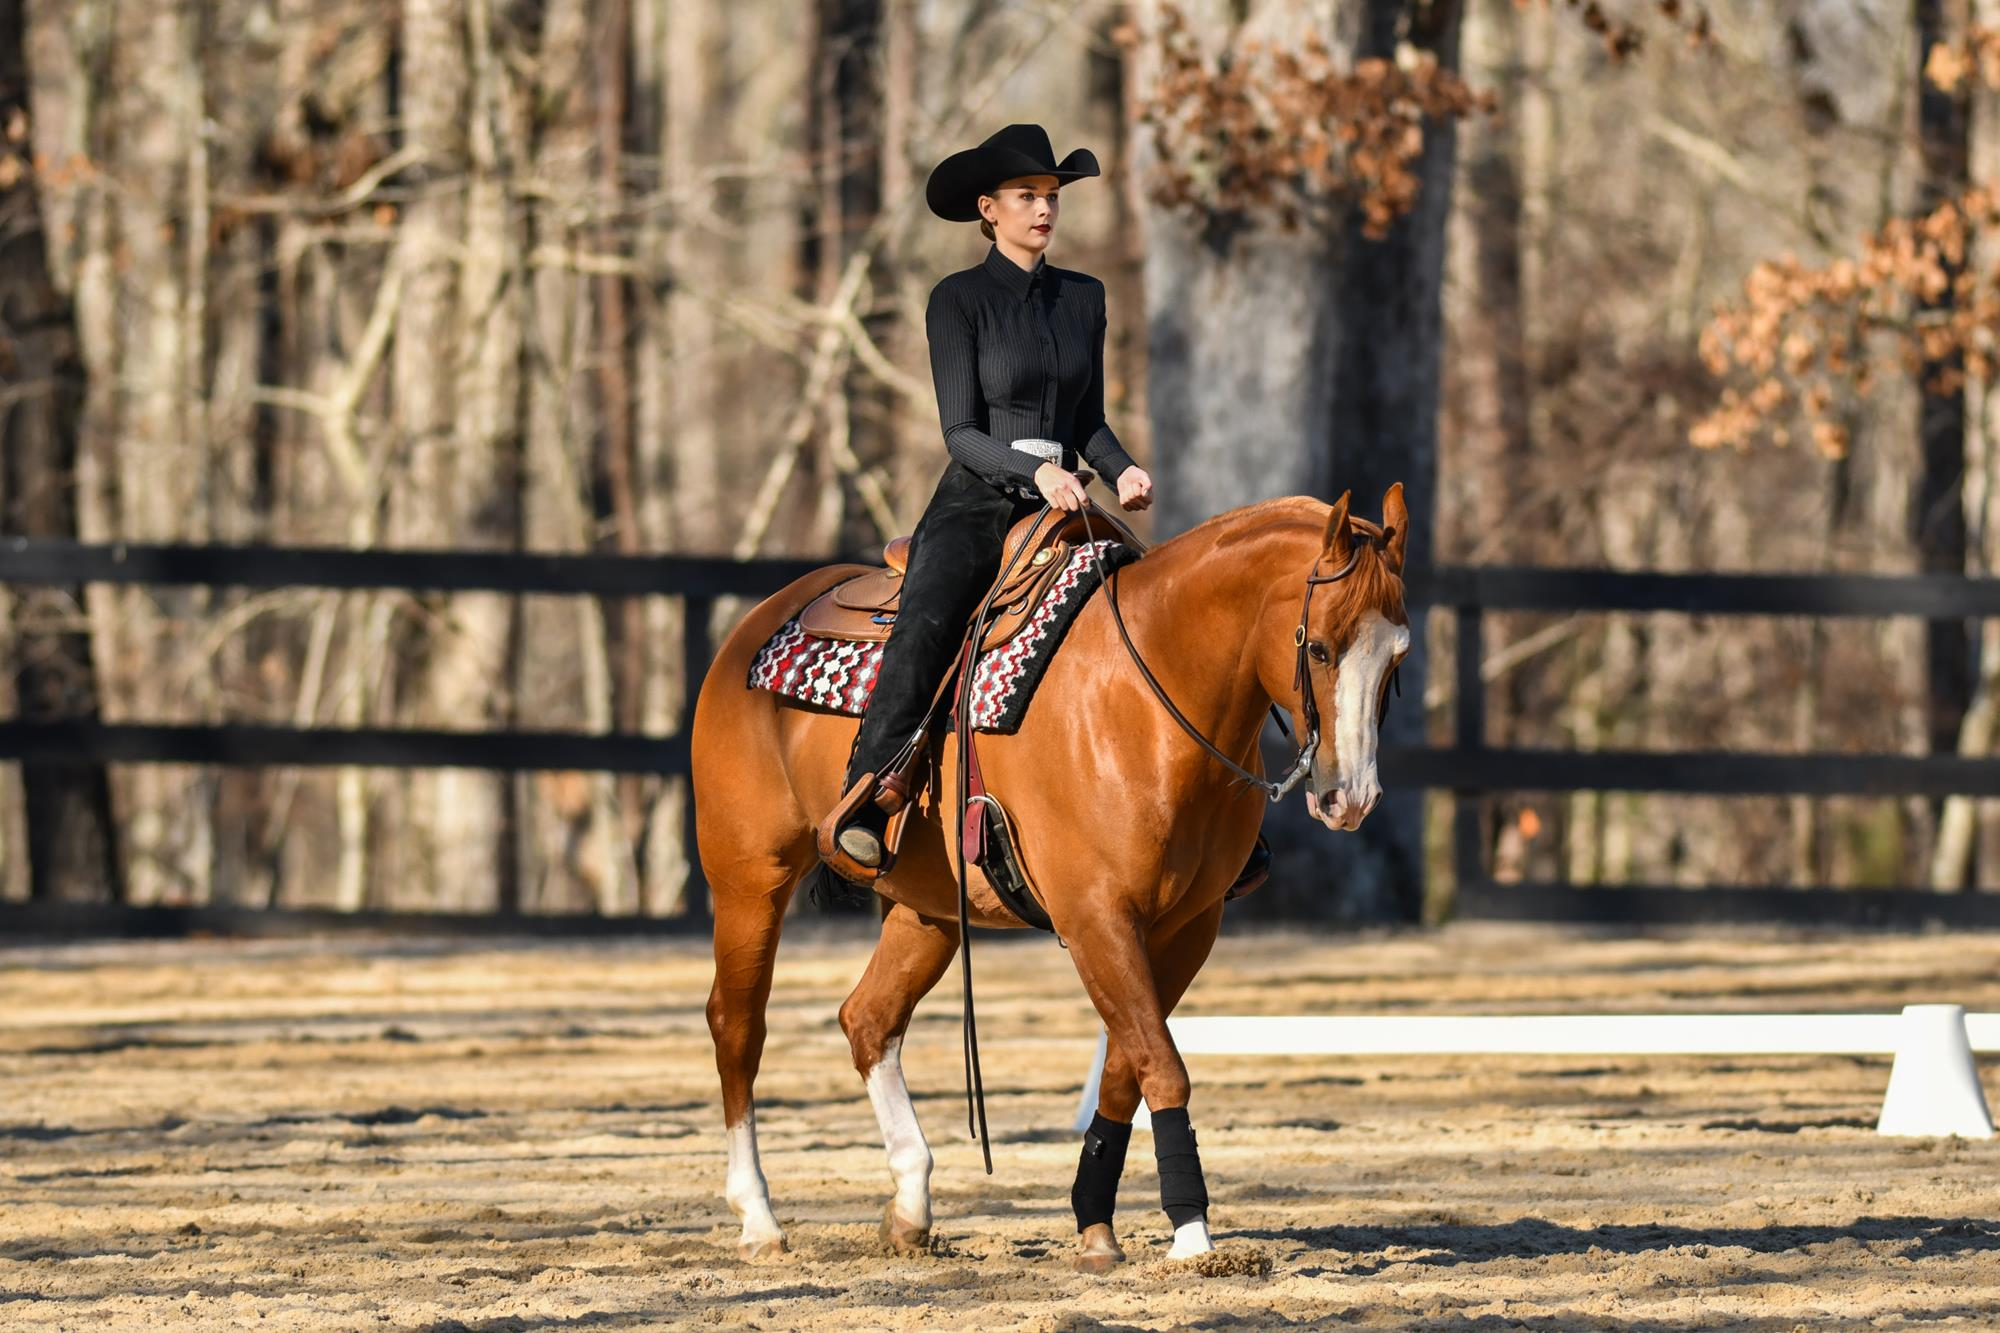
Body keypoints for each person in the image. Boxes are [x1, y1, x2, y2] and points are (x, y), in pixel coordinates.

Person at [826, 123, 1155, 872]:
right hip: (978, 495)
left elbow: (1086, 420)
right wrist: (1035, 473)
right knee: (929, 616)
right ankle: (869, 794)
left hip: (1068, 497)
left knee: (1150, 607)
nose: (1043, 209)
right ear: (989, 208)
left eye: (1050, 197)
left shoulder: (1085, 298)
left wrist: (1124, 467)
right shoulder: (957, 300)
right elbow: (959, 430)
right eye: (1025, 196)